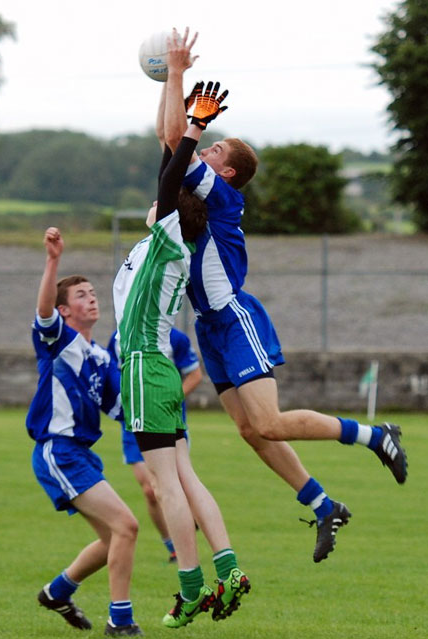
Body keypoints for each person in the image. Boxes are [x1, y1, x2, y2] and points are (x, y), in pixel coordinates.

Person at [159, 27, 408, 564]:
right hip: (208, 324)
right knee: (251, 430)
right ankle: (323, 505)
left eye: (216, 148)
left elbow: (180, 137)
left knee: (268, 422)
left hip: (234, 317)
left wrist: (177, 74)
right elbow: (171, 140)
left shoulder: (221, 195)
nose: (207, 144)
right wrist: (170, 81)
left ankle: (375, 434)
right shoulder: (200, 182)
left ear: (225, 172)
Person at [113, 38, 249, 628]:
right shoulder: (172, 243)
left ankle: (191, 587)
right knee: (185, 475)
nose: (155, 197)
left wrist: (194, 126)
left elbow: (170, 171)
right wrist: (174, 80)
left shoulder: (169, 234)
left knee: (166, 484)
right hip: (160, 368)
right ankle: (229, 567)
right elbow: (166, 161)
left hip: (145, 365)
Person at [26, 227, 143, 637]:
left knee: (114, 539)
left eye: (93, 293)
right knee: (127, 527)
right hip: (58, 451)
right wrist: (53, 261)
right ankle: (121, 621)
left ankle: (57, 592)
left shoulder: (101, 356)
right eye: (81, 295)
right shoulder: (59, 341)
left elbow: (123, 411)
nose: (91, 297)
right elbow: (43, 312)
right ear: (64, 311)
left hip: (81, 455)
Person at [106, 327, 202, 564]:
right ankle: (172, 545)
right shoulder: (119, 338)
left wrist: (168, 399)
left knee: (173, 485)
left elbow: (194, 375)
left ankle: (186, 535)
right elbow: (112, 375)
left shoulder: (175, 337)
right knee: (150, 490)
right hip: (134, 422)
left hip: (169, 421)